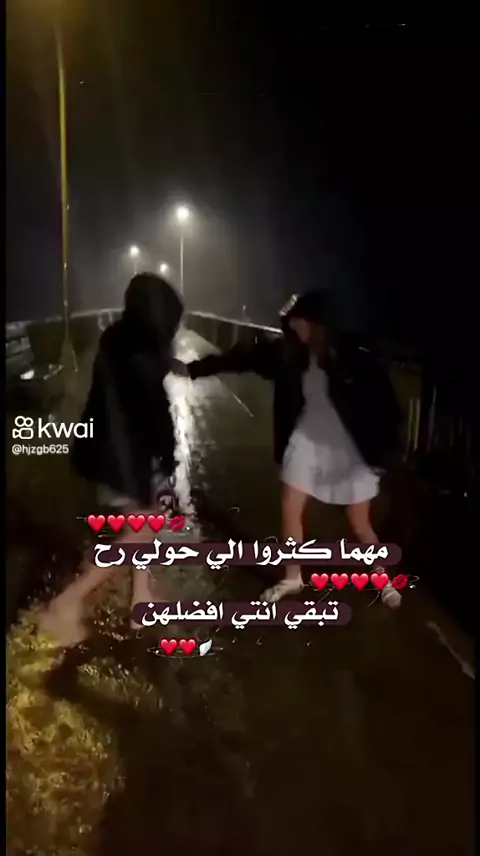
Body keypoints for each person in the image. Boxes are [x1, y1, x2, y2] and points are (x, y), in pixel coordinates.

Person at [174, 291, 403, 607]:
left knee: (359, 520)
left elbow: (385, 405)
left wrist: (384, 453)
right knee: (291, 507)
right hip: (306, 436)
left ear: (319, 323)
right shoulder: (288, 353)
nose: (294, 327)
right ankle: (293, 576)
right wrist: (194, 369)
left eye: (300, 321)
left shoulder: (353, 355)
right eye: (292, 322)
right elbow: (241, 359)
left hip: (345, 442)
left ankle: (381, 576)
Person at [38, 273, 184, 645]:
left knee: (140, 525)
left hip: (105, 452)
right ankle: (68, 600)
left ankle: (141, 599)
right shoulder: (144, 357)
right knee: (143, 530)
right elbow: (157, 418)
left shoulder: (115, 339)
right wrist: (168, 460)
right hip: (127, 460)